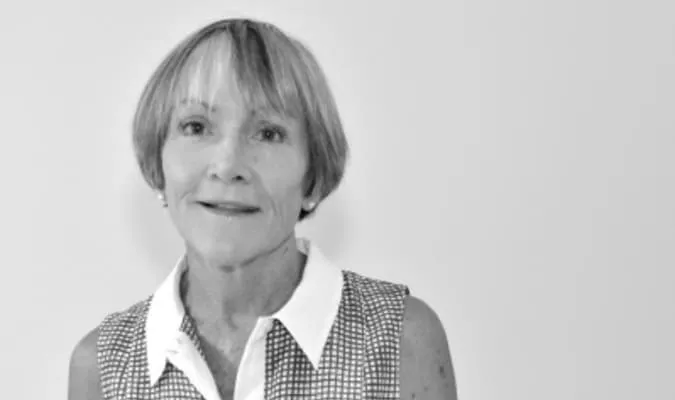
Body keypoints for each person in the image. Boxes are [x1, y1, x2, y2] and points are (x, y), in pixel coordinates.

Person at [68, 18, 457, 400]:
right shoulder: (102, 370)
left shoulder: (402, 342)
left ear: (313, 177)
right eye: (196, 127)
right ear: (158, 162)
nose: (227, 166)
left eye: (268, 133)